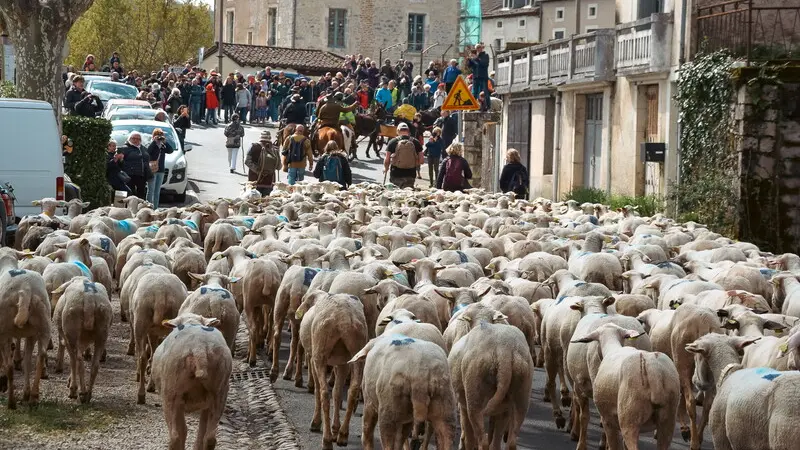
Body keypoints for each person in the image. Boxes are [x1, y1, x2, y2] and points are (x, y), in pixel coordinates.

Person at [384, 122, 423, 189]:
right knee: (407, 193)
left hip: (396, 174)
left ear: (398, 131)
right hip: (410, 174)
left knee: (395, 193)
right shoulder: (416, 142)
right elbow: (421, 161)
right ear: (408, 131)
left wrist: (385, 168)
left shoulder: (392, 142)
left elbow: (387, 160)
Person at [245, 130, 280, 196]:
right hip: (270, 180)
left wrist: (258, 170)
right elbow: (279, 166)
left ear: (260, 137)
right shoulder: (275, 149)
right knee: (267, 200)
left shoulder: (254, 146)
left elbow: (247, 161)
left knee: (254, 199)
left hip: (255, 179)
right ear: (270, 138)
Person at [146, 128, 174, 208]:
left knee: (157, 191)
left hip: (161, 170)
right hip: (152, 169)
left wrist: (165, 142)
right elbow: (147, 152)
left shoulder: (163, 145)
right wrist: (154, 142)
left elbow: (170, 150)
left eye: (161, 135)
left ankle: (155, 208)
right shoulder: (150, 143)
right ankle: (148, 207)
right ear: (153, 135)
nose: (159, 136)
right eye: (157, 135)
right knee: (151, 190)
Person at [119, 132, 149, 199]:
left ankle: (139, 205)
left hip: (141, 174)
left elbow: (147, 159)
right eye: (133, 138)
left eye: (138, 139)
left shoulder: (143, 148)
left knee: (141, 194)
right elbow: (120, 162)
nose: (136, 140)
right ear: (129, 139)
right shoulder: (124, 148)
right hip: (129, 175)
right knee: (131, 194)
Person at [467, 43, 490, 110]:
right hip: (476, 77)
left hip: (483, 76)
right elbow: (470, 66)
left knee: (485, 92)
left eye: (479, 47)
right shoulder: (474, 57)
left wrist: (477, 58)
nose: (478, 49)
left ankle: (488, 106)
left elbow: (484, 64)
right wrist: (469, 60)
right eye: (477, 48)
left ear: (481, 48)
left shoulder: (485, 55)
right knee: (474, 92)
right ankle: (473, 107)